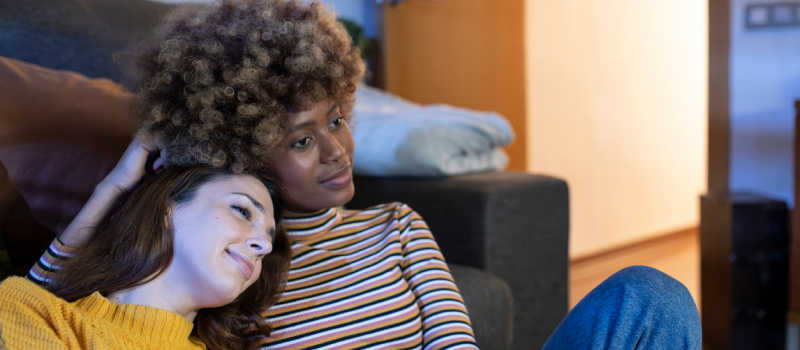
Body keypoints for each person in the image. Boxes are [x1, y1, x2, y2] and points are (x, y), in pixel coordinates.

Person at [27, 0, 702, 348]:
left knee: (651, 296)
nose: (337, 149)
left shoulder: (398, 226)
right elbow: (39, 306)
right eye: (300, 138)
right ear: (239, 153)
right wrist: (119, 184)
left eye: (338, 118)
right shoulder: (223, 265)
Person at [4, 138, 293, 350]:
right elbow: (40, 293)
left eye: (267, 238)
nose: (264, 248)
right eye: (243, 211)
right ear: (168, 207)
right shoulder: (32, 310)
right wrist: (114, 187)